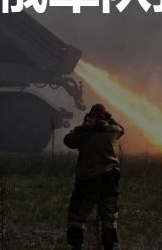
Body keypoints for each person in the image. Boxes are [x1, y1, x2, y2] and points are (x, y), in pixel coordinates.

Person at [63, 103, 125, 250]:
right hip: (108, 180)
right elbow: (121, 129)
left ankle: (76, 245)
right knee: (109, 218)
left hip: (86, 181)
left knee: (76, 216)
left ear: (91, 116)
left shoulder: (82, 132)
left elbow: (68, 140)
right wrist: (109, 118)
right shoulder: (112, 131)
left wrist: (86, 123)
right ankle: (109, 246)